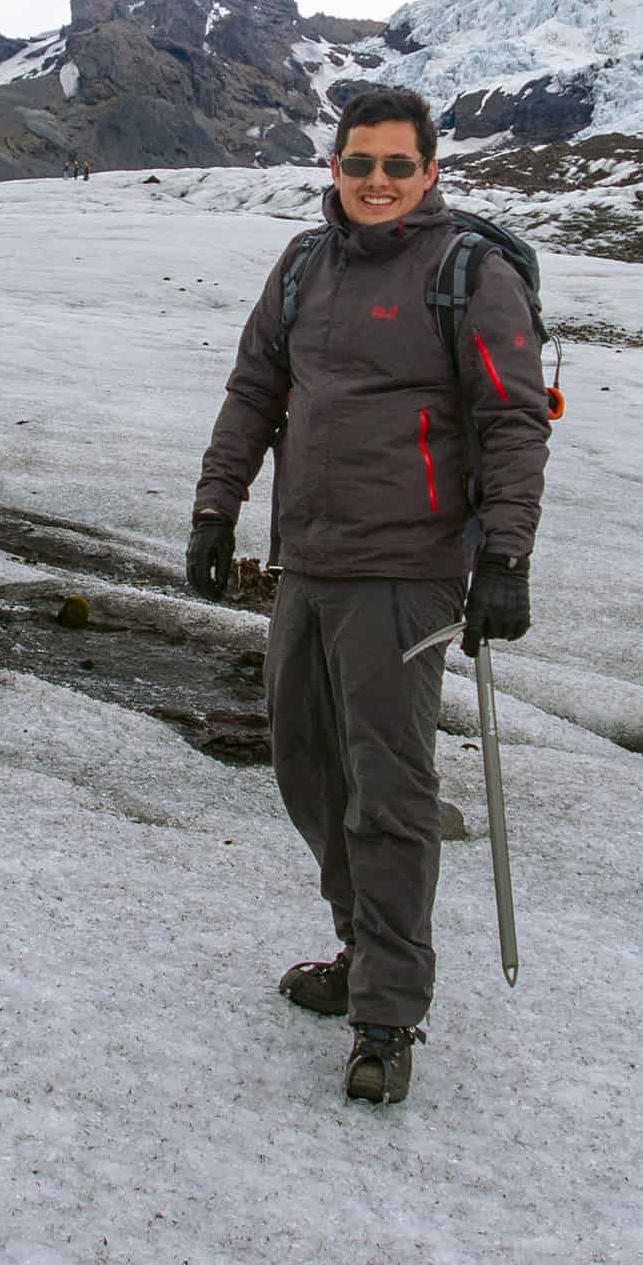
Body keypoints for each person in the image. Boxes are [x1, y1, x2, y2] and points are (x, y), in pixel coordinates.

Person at [185, 87, 550, 1103]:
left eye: (398, 165)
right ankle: (361, 947)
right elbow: (256, 387)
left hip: (408, 568)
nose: (378, 181)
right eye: (360, 164)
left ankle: (388, 1012)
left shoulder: (467, 275)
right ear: (334, 170)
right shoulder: (305, 266)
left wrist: (506, 559)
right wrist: (217, 508)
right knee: (307, 770)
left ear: (430, 173)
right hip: (309, 560)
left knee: (387, 793)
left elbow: (514, 420)